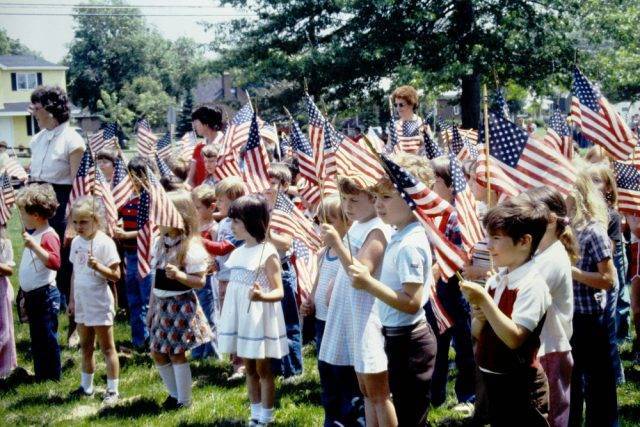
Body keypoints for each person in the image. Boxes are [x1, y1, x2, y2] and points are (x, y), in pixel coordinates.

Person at [348, 164, 438, 426]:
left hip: (411, 341)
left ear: (412, 199)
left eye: (386, 197)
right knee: (405, 408)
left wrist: (369, 284)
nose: (378, 205)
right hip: (398, 337)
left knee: (410, 415)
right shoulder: (401, 235)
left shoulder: (410, 244)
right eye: (375, 197)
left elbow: (411, 303)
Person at [460, 198, 551, 426]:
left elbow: (514, 338)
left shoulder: (532, 284)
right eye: (489, 237)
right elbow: (476, 332)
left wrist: (484, 301)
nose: (488, 245)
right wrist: (479, 314)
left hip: (520, 386)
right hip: (491, 379)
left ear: (524, 241)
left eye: (497, 238)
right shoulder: (496, 280)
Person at [319, 173, 395, 427]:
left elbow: (361, 271)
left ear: (373, 199)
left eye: (354, 200)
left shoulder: (378, 229)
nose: (347, 206)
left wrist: (338, 246)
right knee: (366, 391)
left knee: (379, 393)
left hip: (367, 316)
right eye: (344, 200)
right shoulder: (358, 225)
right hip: (352, 313)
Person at [218, 195, 288, 426]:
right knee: (248, 367)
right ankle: (255, 413)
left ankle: (266, 416)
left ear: (251, 221)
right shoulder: (237, 252)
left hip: (260, 318)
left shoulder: (267, 252)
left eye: (236, 221)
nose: (231, 226)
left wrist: (261, 296)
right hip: (242, 318)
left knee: (264, 369)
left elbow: (279, 291)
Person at [28, 85, 86, 346]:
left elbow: (78, 185)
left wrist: (73, 222)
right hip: (37, 201)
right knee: (38, 261)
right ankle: (44, 322)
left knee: (65, 266)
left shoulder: (73, 140)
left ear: (50, 110)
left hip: (63, 203)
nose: (34, 112)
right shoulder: (37, 139)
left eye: (37, 108)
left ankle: (74, 326)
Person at [148, 190, 211, 409]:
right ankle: (174, 394)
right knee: (157, 352)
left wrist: (181, 276)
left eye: (161, 214)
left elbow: (200, 281)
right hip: (161, 304)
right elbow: (156, 278)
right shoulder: (159, 243)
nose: (156, 219)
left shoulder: (190, 246)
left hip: (180, 303)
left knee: (176, 354)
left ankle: (184, 401)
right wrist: (151, 306)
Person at [522, 187, 578, 427]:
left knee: (551, 416)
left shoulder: (553, 258)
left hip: (551, 350)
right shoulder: (540, 253)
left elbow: (526, 294)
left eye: (529, 213)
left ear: (551, 219)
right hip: (542, 348)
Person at [300, 195, 358, 427]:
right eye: (321, 221)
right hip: (323, 322)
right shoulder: (323, 253)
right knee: (327, 373)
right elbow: (317, 283)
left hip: (342, 323)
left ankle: (352, 418)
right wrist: (310, 301)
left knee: (344, 374)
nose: (324, 227)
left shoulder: (349, 252)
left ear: (347, 222)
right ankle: (332, 419)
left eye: (330, 221)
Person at [567, 169, 618, 426]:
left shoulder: (593, 231)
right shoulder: (567, 230)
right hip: (570, 316)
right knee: (572, 381)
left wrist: (574, 273)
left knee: (599, 382)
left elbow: (609, 280)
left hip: (590, 318)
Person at [427, 155, 477, 413]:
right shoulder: (432, 213)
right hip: (438, 289)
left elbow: (460, 252)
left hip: (457, 287)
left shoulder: (457, 216)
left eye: (434, 181)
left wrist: (438, 269)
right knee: (438, 341)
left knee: (464, 343)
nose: (430, 186)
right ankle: (435, 394)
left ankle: (467, 395)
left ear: (449, 184)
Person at [67, 197, 121, 405]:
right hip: (81, 300)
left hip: (99, 300)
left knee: (107, 347)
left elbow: (116, 275)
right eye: (75, 222)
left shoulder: (105, 243)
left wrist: (99, 267)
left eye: (84, 222)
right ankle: (86, 386)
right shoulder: (76, 243)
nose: (79, 227)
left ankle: (113, 389)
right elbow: (74, 273)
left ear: (96, 221)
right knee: (86, 346)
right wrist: (72, 300)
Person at [16, 183, 62, 381]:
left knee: (47, 337)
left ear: (35, 215)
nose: (22, 218)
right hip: (32, 295)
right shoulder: (34, 234)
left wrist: (35, 247)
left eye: (23, 213)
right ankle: (41, 373)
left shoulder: (48, 236)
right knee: (37, 337)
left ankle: (52, 376)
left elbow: (54, 262)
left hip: (45, 295)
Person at [113, 156, 156, 351]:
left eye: (138, 176)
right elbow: (120, 215)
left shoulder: (152, 199)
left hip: (146, 255)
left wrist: (127, 233)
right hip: (130, 255)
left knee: (148, 299)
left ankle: (153, 341)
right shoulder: (127, 198)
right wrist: (120, 225)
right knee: (133, 300)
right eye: (131, 176)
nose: (134, 181)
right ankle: (139, 339)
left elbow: (151, 230)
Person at [265, 163, 303, 379]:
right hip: (264, 271)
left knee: (288, 323)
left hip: (282, 269)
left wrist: (267, 234)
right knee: (271, 323)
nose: (267, 187)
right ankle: (276, 367)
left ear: (285, 185)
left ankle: (293, 370)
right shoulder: (262, 208)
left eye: (272, 183)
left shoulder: (285, 210)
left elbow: (286, 242)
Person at [190, 184, 237, 360]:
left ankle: (212, 352)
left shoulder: (215, 229)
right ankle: (197, 349)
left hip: (209, 277)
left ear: (211, 207)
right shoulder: (195, 227)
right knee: (195, 314)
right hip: (194, 275)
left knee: (210, 314)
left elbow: (218, 254)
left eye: (198, 208)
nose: (194, 211)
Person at [588, 162, 625, 384]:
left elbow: (607, 250)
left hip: (607, 277)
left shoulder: (610, 215)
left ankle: (615, 375)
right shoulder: (586, 213)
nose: (592, 186)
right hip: (589, 279)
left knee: (607, 329)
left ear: (609, 188)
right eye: (588, 181)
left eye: (597, 181)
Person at [213, 176, 246, 378]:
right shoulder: (223, 223)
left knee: (238, 319)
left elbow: (226, 247)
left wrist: (196, 240)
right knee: (227, 320)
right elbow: (219, 252)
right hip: (223, 277)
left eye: (221, 201)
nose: (217, 204)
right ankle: (234, 360)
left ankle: (241, 363)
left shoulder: (240, 224)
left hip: (237, 278)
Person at [188, 105, 225, 187]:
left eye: (197, 123)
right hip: (201, 195)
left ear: (206, 123)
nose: (194, 127)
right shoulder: (198, 147)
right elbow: (190, 179)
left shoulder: (226, 144)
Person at [0, 224, 16, 378]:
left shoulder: (4, 242)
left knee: (4, 329)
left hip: (1, 289)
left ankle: (4, 369)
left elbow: (9, 270)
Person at [390, 85, 424, 154]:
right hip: (398, 163)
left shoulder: (421, 123)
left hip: (417, 163)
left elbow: (429, 148)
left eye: (401, 105)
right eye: (396, 105)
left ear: (411, 104)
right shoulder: (394, 125)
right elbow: (389, 147)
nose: (398, 108)